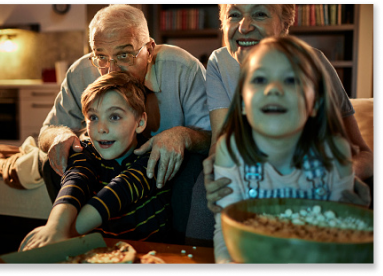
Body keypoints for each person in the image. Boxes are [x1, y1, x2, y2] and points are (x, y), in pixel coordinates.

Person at [185, 4, 373, 246]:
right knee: (204, 184)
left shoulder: (313, 62)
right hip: (250, 180)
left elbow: (364, 154)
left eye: (259, 13)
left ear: (284, 25)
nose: (244, 26)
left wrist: (337, 180)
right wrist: (218, 172)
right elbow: (220, 144)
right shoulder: (220, 61)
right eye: (234, 14)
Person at [39, 4, 211, 243]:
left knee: (193, 165)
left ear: (149, 50)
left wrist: (182, 135)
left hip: (161, 167)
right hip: (105, 163)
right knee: (55, 159)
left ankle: (181, 249)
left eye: (124, 55)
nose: (111, 70)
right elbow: (48, 131)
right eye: (101, 56)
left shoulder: (183, 68)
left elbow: (214, 137)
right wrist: (59, 136)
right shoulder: (80, 72)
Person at [212, 35, 359, 263]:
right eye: (260, 80)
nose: (273, 89)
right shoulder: (230, 152)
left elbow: (340, 235)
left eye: (291, 80)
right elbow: (226, 231)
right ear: (242, 101)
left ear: (316, 104)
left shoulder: (334, 152)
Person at [20, 72, 172, 251]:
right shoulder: (84, 151)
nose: (101, 128)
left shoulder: (153, 156)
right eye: (93, 117)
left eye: (114, 117)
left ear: (140, 122)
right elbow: (75, 180)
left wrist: (60, 231)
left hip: (152, 251)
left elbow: (119, 191)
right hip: (100, 251)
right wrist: (54, 226)